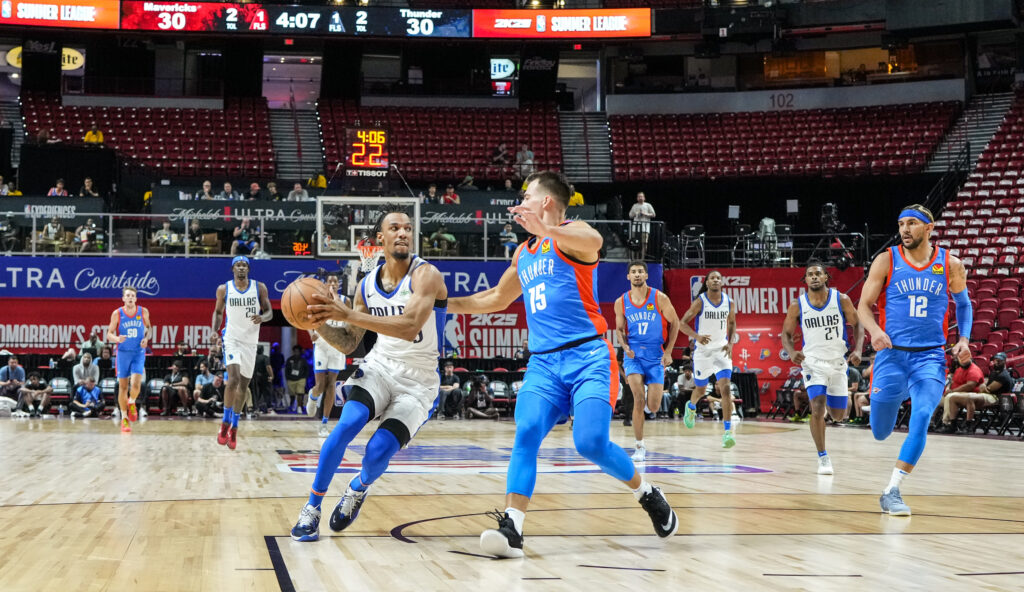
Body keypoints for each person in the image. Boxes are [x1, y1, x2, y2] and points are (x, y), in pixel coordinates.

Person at [445, 171, 677, 558]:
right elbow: (496, 298)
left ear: (546, 202)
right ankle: (512, 528)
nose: (521, 199)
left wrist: (546, 230)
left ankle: (647, 493)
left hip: (588, 356)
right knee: (527, 431)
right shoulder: (524, 253)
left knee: (589, 443)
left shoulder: (573, 235)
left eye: (527, 194)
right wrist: (440, 304)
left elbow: (596, 242)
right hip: (544, 363)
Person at [289, 205, 448, 543]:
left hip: (418, 384)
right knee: (346, 424)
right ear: (380, 239)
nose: (403, 232)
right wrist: (319, 325)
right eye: (395, 228)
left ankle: (358, 488)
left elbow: (408, 327)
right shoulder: (365, 286)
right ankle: (312, 508)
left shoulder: (427, 275)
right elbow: (349, 343)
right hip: (379, 367)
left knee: (377, 452)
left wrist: (348, 313)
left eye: (408, 228)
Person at [856, 204, 971, 516]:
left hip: (930, 357)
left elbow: (963, 304)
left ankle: (892, 490)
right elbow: (863, 306)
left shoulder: (950, 263)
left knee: (921, 416)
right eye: (901, 223)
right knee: (880, 431)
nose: (904, 229)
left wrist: (963, 338)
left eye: (911, 223)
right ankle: (897, 391)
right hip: (891, 356)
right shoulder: (886, 260)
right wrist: (875, 331)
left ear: (929, 228)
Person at [781, 262, 864, 475]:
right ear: (805, 280)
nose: (814, 277)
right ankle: (823, 457)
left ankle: (828, 402)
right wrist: (791, 352)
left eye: (818, 273)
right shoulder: (797, 305)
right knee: (817, 406)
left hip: (837, 362)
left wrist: (858, 350)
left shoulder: (841, 299)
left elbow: (857, 324)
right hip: (813, 363)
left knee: (838, 415)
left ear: (826, 277)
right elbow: (786, 335)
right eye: (810, 274)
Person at [614, 260, 680, 462]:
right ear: (628, 277)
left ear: (646, 275)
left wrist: (668, 351)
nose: (636, 275)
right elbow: (619, 329)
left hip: (655, 356)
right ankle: (639, 446)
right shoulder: (621, 301)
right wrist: (624, 347)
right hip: (633, 355)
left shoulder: (659, 298)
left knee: (652, 406)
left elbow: (675, 322)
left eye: (640, 271)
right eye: (633, 272)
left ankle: (644, 412)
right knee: (637, 398)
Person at [211, 256, 273, 450]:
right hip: (231, 338)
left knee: (244, 386)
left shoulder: (259, 287)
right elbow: (218, 312)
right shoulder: (224, 288)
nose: (241, 268)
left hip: (250, 342)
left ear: (248, 269)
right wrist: (214, 330)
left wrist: (262, 317)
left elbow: (270, 311)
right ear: (232, 269)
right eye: (238, 265)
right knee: (234, 379)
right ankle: (225, 421)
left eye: (244, 265)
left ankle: (235, 426)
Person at [679, 271, 737, 447]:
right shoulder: (700, 301)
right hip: (703, 352)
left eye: (719, 278)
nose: (716, 280)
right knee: (702, 389)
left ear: (722, 282)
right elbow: (682, 323)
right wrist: (696, 336)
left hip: (721, 350)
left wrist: (731, 343)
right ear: (707, 282)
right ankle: (691, 406)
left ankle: (727, 433)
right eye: (712, 278)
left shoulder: (729, 302)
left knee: (726, 389)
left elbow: (732, 323)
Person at [307, 274, 349, 436]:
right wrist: (311, 332)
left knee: (331, 384)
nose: (332, 283)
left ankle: (324, 424)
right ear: (325, 284)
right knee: (320, 385)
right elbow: (307, 319)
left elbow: (350, 321)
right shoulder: (318, 299)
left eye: (335, 281)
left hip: (336, 347)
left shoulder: (345, 301)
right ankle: (313, 395)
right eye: (330, 281)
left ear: (338, 285)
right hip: (321, 345)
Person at [106, 286, 151, 433]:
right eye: (128, 295)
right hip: (123, 353)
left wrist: (146, 338)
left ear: (136, 298)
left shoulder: (143, 311)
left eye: (133, 295)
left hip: (138, 352)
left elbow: (149, 328)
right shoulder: (117, 313)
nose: (130, 298)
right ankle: (124, 418)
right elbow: (109, 334)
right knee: (123, 387)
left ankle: (131, 402)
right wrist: (117, 338)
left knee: (136, 385)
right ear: (123, 298)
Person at [942, 352, 1011, 432]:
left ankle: (969, 426)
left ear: (1005, 361)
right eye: (995, 360)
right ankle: (952, 425)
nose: (997, 362)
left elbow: (988, 390)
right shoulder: (994, 373)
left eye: (999, 360)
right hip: (986, 395)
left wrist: (983, 387)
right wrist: (983, 387)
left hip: (996, 398)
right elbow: (984, 388)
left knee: (970, 397)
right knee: (953, 398)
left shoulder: (1003, 376)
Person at [938, 358, 985, 431]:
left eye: (965, 359)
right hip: (955, 392)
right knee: (935, 399)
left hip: (968, 394)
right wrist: (948, 388)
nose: (963, 361)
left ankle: (947, 423)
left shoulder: (974, 370)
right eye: (962, 360)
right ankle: (930, 423)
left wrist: (952, 391)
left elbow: (970, 386)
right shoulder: (958, 369)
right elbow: (952, 382)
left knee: (950, 397)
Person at [628, 191, 656, 259]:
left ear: (644, 198)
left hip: (645, 228)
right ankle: (635, 258)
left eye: (641, 196)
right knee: (635, 243)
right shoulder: (635, 205)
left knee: (644, 243)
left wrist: (645, 214)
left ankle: (642, 259)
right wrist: (635, 214)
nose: (640, 198)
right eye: (639, 196)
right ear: (637, 198)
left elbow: (654, 214)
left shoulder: (648, 205)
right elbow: (630, 215)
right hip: (636, 228)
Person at [285, 345, 310, 413]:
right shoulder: (289, 359)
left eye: (297, 351)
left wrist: (304, 377)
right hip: (291, 379)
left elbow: (306, 369)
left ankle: (299, 407)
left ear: (300, 352)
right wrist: (287, 377)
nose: (296, 353)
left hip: (301, 379)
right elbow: (286, 369)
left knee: (300, 393)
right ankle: (292, 405)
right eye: (295, 351)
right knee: (292, 394)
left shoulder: (303, 360)